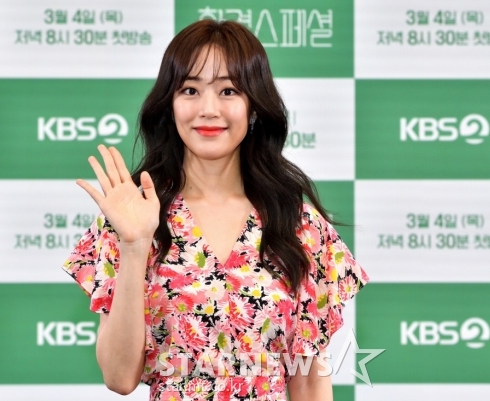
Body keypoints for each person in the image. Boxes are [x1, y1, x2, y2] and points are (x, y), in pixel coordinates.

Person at [62, 19, 369, 401]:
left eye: (228, 91)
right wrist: (134, 245)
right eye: (190, 90)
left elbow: (309, 381)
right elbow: (119, 377)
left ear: (254, 106)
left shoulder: (299, 226)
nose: (208, 109)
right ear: (169, 105)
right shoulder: (132, 216)